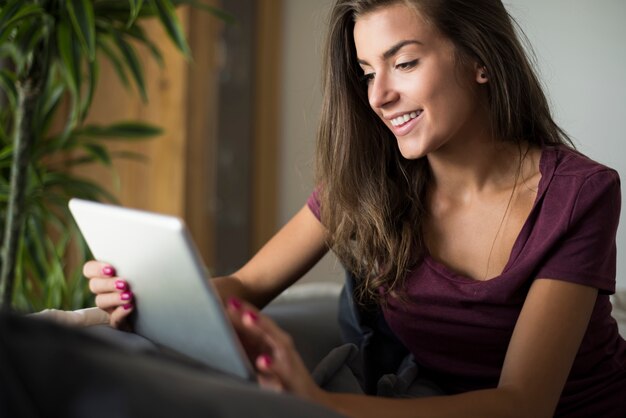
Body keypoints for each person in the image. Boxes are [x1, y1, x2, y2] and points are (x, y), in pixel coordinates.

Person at [83, 0, 626, 416]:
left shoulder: (580, 193)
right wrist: (151, 291)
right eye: (367, 71)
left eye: (404, 63)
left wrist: (317, 404)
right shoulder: (367, 181)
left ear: (481, 60)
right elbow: (247, 285)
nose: (378, 96)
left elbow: (522, 404)